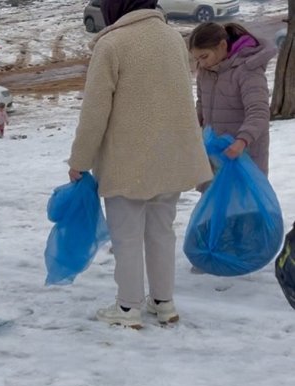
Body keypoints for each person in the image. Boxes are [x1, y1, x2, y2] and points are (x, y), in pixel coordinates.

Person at [66, 0, 213, 328]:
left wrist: (80, 160)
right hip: (170, 157)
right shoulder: (173, 38)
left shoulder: (111, 44)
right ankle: (164, 304)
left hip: (128, 162)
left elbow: (94, 112)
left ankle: (128, 308)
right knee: (162, 232)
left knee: (127, 237)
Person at [189, 22, 274, 178]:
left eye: (204, 56)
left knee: (241, 201)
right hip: (215, 153)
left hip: (243, 153)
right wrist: (194, 129)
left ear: (222, 45)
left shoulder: (247, 70)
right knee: (216, 200)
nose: (201, 63)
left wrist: (242, 141)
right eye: (197, 59)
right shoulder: (205, 72)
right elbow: (201, 105)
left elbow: (258, 111)